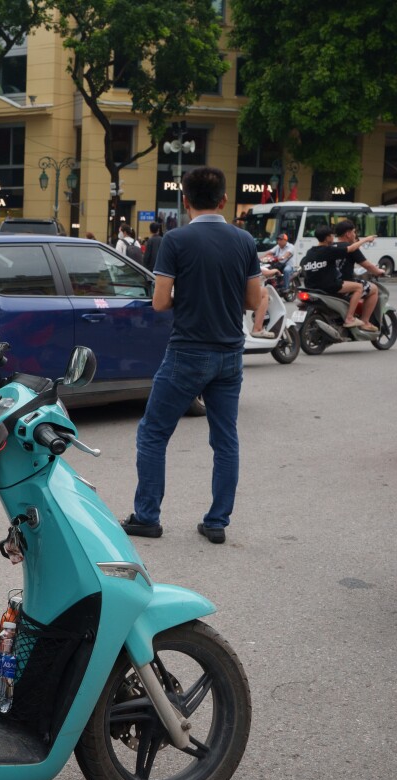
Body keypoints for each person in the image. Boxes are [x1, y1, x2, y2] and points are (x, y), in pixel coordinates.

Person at [120, 166, 261, 545]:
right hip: (230, 354)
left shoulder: (175, 240)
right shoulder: (244, 240)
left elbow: (160, 301)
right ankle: (216, 522)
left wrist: (188, 297)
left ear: (185, 201)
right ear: (224, 200)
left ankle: (147, 516)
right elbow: (253, 300)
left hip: (187, 351)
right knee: (225, 439)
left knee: (153, 433)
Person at [299, 225, 378, 330]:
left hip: (312, 287)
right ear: (327, 238)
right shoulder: (329, 250)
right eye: (332, 236)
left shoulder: (310, 252)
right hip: (329, 286)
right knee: (359, 287)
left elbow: (303, 265)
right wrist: (366, 239)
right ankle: (350, 318)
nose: (333, 238)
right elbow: (352, 248)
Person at [331, 219, 386, 329]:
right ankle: (365, 322)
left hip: (329, 284)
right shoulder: (351, 248)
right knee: (374, 289)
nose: (355, 235)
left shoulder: (330, 246)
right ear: (348, 234)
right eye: (354, 232)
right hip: (345, 285)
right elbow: (368, 266)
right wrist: (379, 271)